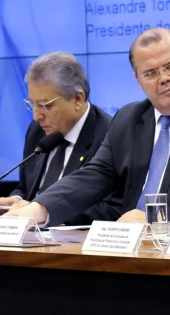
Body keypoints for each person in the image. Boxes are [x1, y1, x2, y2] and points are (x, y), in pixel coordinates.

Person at [4, 28, 170, 229]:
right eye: (150, 73)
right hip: (133, 258)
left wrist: (156, 220)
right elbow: (93, 176)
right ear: (137, 79)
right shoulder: (130, 119)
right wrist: (40, 208)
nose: (164, 78)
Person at [0, 52, 121, 225]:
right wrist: (16, 201)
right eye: (32, 105)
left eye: (44, 106)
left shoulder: (110, 136)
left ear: (78, 99)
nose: (36, 116)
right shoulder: (38, 131)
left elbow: (112, 209)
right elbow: (26, 188)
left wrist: (46, 213)